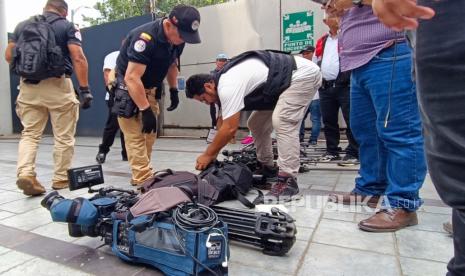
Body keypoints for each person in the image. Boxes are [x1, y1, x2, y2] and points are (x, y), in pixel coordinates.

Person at [372, 0, 463, 274]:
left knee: (403, 133)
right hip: (433, 18)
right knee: (455, 165)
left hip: (430, 22)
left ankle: (403, 203)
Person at [326, 0, 427, 232]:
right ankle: (370, 190)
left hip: (391, 49)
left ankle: (404, 205)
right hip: (360, 61)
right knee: (366, 132)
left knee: (400, 132)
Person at [185, 50, 321, 202]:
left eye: (204, 99)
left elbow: (230, 128)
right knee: (256, 124)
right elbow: (222, 124)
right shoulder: (222, 84)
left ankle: (288, 180)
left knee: (282, 120)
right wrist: (213, 152)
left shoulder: (227, 84)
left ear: (208, 86)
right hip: (282, 83)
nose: (207, 103)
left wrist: (208, 154)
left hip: (302, 75)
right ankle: (268, 168)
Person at [4, 0, 92, 195]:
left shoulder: (22, 26)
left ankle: (26, 172)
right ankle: (60, 179)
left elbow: (9, 55)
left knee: (30, 134)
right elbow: (78, 56)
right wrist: (84, 89)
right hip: (58, 85)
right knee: (63, 136)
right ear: (64, 11)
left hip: (28, 86)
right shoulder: (67, 26)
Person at [114, 4, 201, 186]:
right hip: (130, 90)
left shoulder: (179, 39)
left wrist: (173, 89)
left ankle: (140, 174)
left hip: (151, 90)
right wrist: (145, 110)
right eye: (181, 35)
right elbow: (132, 77)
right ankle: (144, 180)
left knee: (149, 136)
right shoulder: (145, 38)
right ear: (169, 25)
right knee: (135, 138)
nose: (183, 40)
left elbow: (171, 65)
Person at [313, 15, 359, 165]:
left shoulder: (347, 36)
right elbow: (315, 62)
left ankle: (353, 151)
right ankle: (332, 150)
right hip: (326, 87)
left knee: (351, 119)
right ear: (325, 21)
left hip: (344, 86)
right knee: (329, 120)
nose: (335, 18)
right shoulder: (322, 41)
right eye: (331, 17)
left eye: (337, 16)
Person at [95, 50, 127, 164]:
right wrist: (113, 94)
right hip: (115, 96)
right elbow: (107, 75)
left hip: (132, 96)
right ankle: (103, 150)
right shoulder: (113, 56)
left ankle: (126, 153)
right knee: (113, 125)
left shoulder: (137, 55)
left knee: (128, 126)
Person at [298, 45, 321, 146]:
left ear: (313, 53)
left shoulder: (318, 63)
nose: (305, 55)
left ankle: (313, 139)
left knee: (315, 119)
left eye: (307, 53)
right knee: (300, 117)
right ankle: (299, 138)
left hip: (316, 96)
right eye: (303, 53)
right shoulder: (302, 66)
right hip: (304, 96)